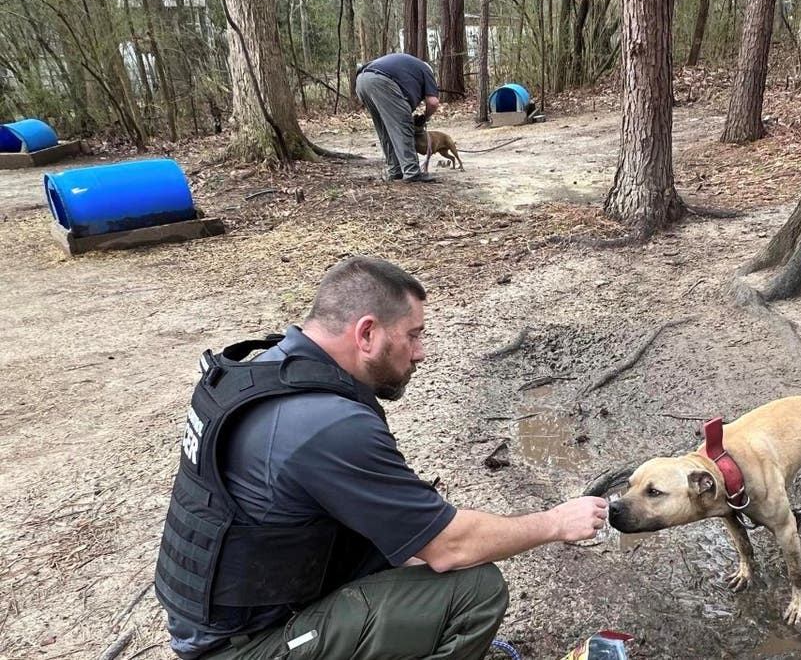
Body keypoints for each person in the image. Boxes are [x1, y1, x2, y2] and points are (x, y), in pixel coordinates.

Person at [154, 256, 608, 659]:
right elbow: (452, 546)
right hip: (243, 646)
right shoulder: (325, 425)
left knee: (413, 549)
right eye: (413, 335)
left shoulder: (265, 369)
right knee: (474, 591)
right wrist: (555, 522)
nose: (421, 353)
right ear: (367, 333)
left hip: (222, 616)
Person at [355, 52, 441, 183]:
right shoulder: (426, 70)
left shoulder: (409, 67)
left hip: (362, 81)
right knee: (402, 126)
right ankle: (412, 172)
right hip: (383, 82)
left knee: (384, 129)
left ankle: (395, 170)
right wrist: (425, 117)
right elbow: (433, 102)